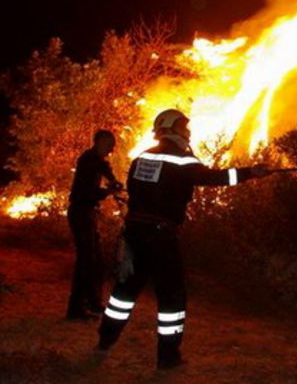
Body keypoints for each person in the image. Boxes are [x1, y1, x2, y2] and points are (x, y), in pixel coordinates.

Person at [96, 109, 269, 369]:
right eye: (183, 127)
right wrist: (250, 173)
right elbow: (214, 178)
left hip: (134, 233)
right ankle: (168, 357)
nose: (187, 132)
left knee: (124, 291)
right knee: (171, 297)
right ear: (170, 129)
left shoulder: (141, 158)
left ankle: (105, 340)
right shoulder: (182, 160)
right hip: (160, 237)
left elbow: (135, 190)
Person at [66, 129, 122, 320]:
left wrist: (113, 181)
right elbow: (89, 191)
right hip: (81, 212)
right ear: (100, 142)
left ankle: (93, 302)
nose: (112, 148)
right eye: (110, 144)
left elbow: (105, 168)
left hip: (87, 213)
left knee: (96, 260)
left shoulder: (95, 160)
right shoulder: (89, 160)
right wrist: (108, 191)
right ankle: (75, 310)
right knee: (86, 261)